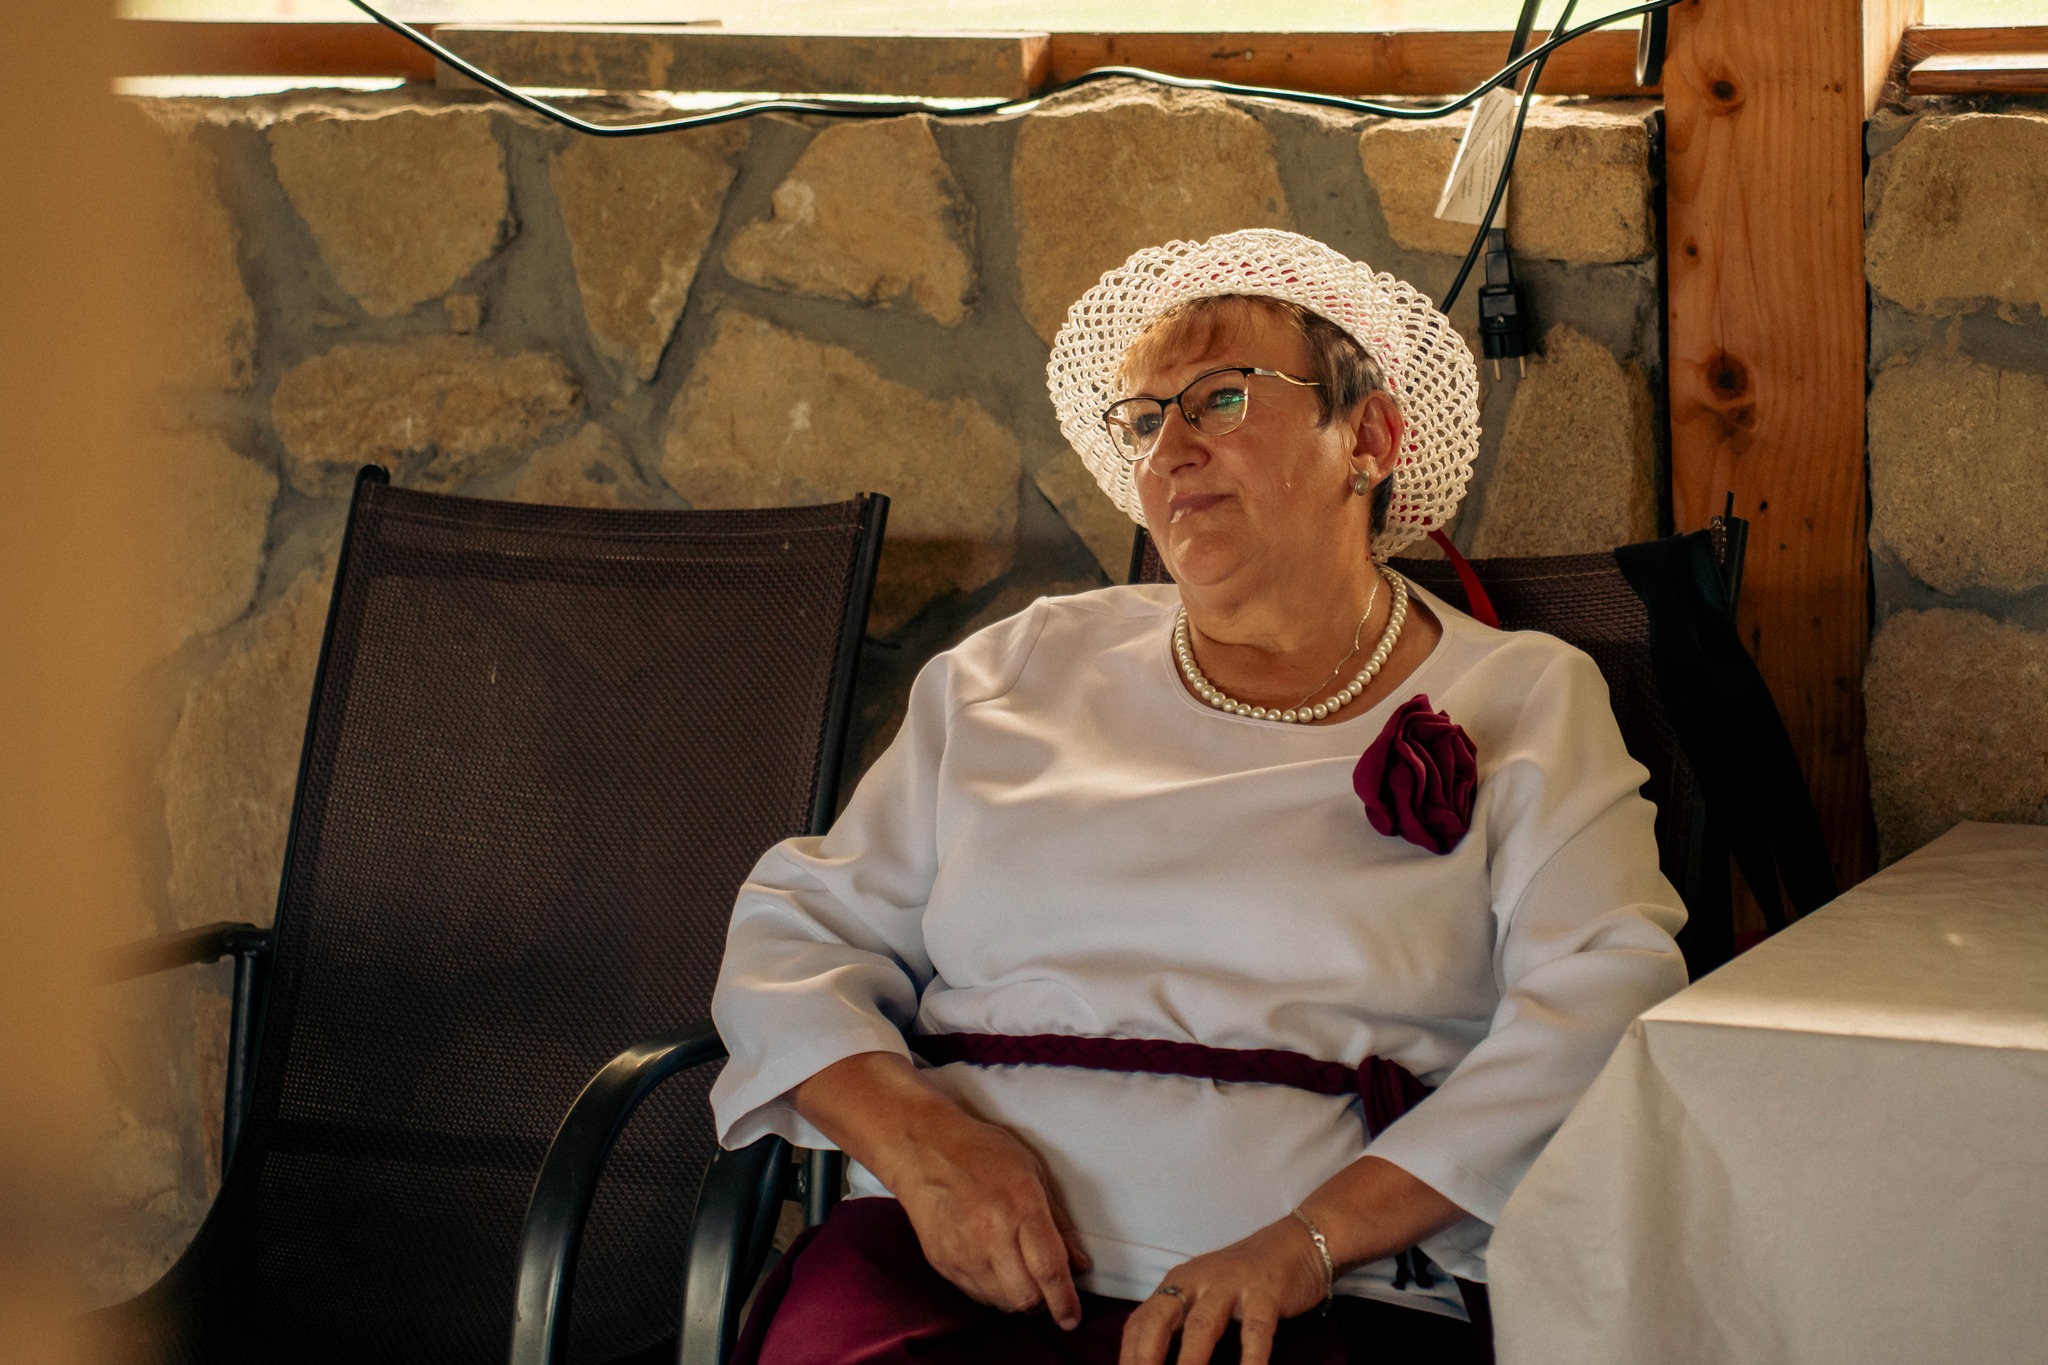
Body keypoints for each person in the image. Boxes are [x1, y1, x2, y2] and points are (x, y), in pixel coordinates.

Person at [708, 229, 1688, 1365]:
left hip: (1315, 1297)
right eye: (1142, 420)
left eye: (1220, 398)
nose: (1169, 450)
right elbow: (795, 934)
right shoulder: (1018, 667)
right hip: (942, 1264)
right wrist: (923, 1149)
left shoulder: (1523, 697)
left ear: (1369, 438)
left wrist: (1307, 1243)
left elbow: (1602, 1002)